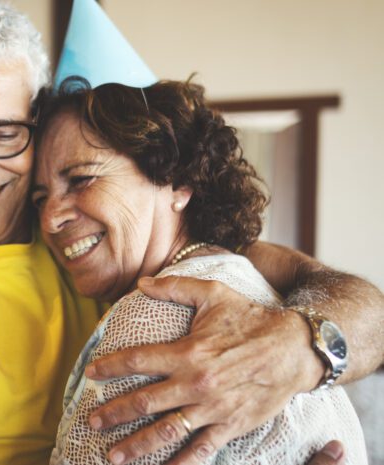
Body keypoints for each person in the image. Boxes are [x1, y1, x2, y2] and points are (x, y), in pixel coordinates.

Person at [0, 1, 384, 464]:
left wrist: (300, 350)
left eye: (3, 132)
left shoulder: (114, 248)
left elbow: (360, 305)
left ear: (34, 125)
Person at [33, 77, 367, 465]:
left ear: (178, 182)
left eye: (81, 179)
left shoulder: (151, 319)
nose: (50, 219)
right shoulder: (253, 286)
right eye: (39, 200)